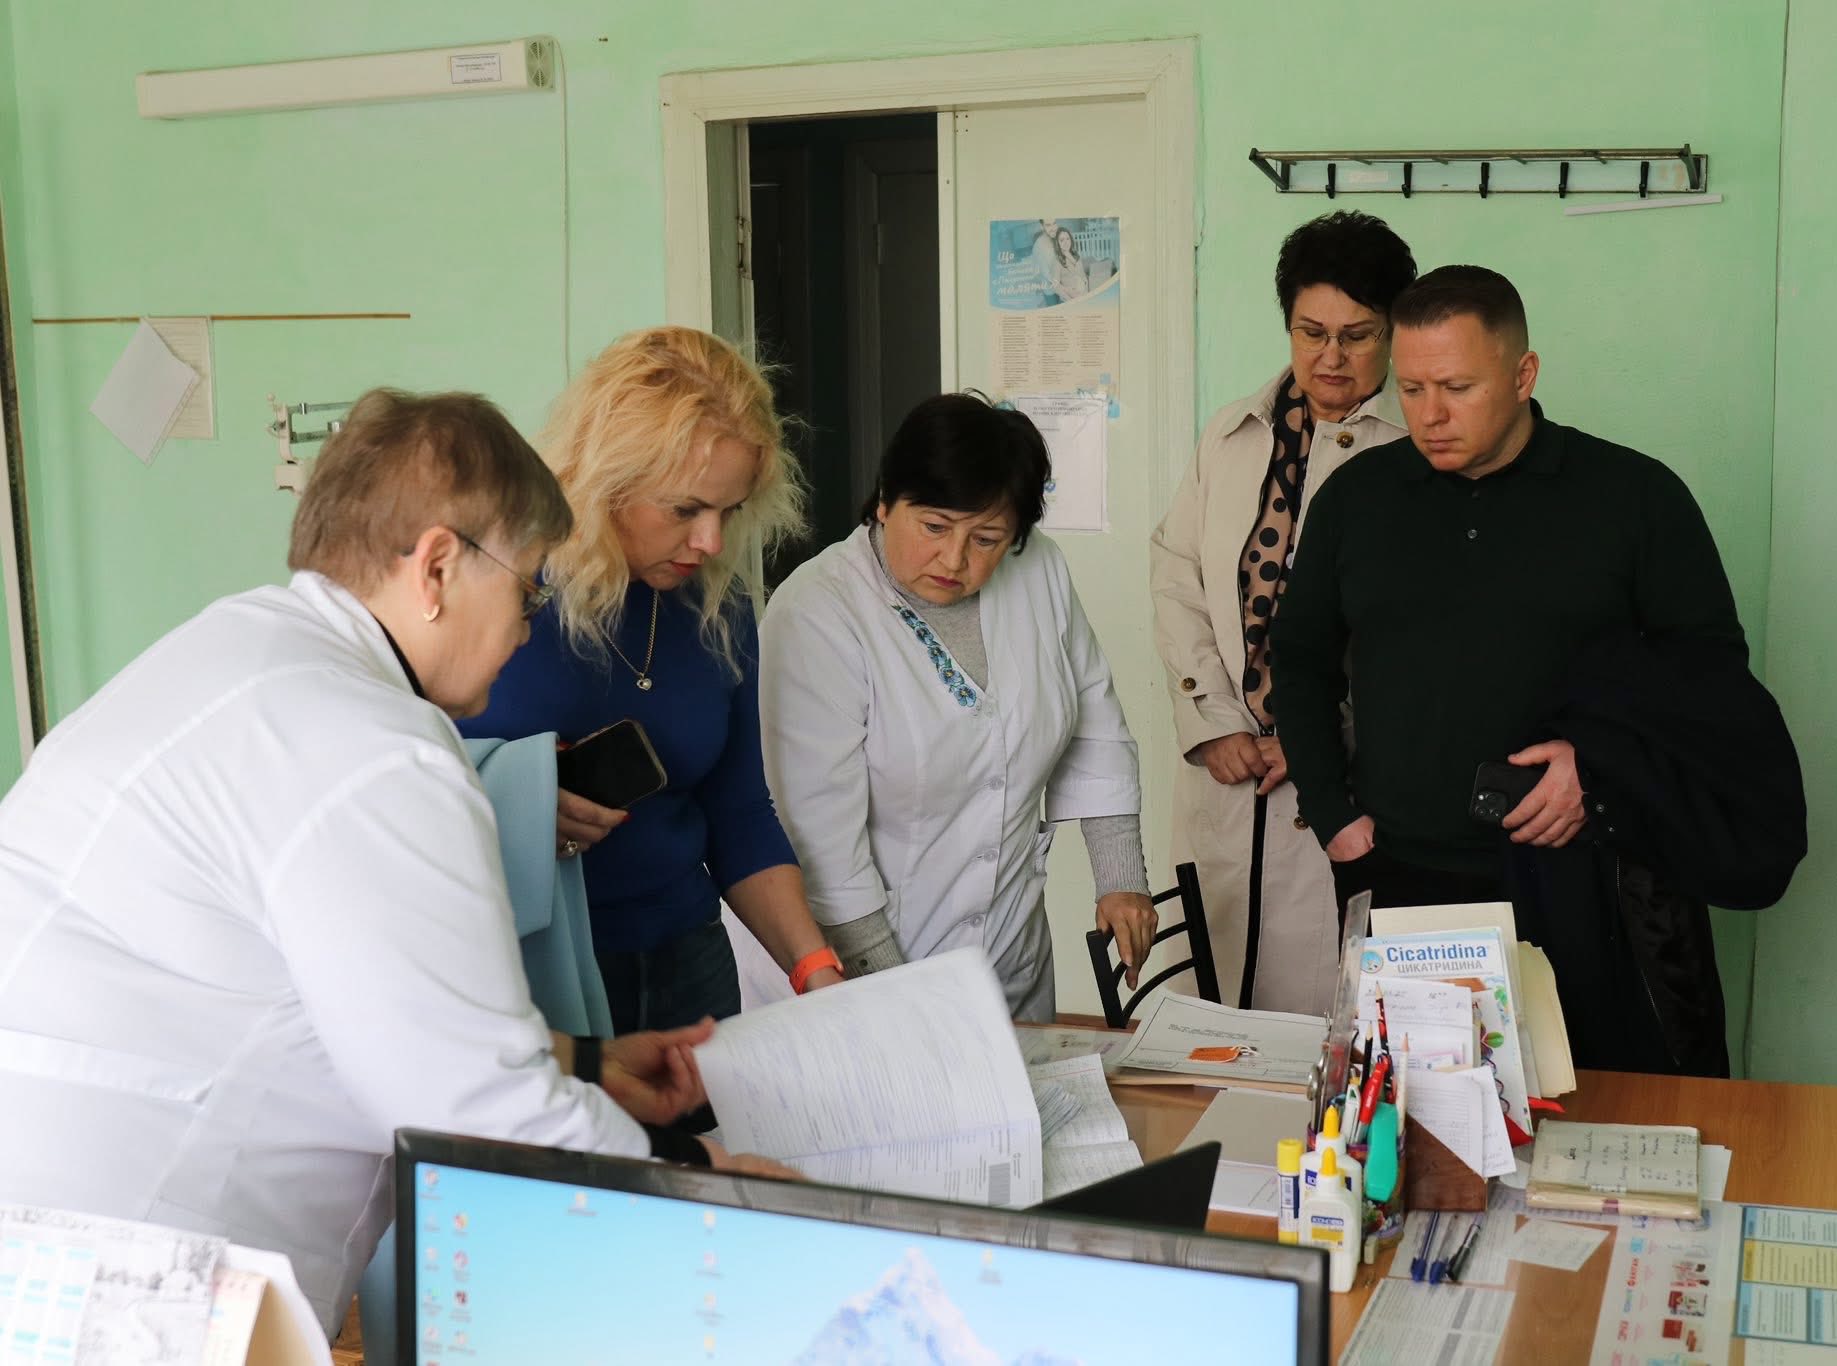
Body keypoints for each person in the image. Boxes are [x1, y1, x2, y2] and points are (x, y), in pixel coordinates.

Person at [0, 390, 782, 1338]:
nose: (526, 627)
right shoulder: (374, 750)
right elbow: (475, 1112)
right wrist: (704, 1186)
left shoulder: (240, 648)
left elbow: (376, 1008)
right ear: (438, 566)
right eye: (528, 589)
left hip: (58, 1231)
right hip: (141, 1263)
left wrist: (585, 1062)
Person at [1268, 266, 1763, 1075]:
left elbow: (1709, 672)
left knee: (1603, 1106)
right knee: (1422, 1116)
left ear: (1524, 375)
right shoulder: (1357, 499)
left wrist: (1593, 764)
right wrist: (1333, 816)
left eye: (1458, 387)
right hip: (1402, 875)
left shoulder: (1634, 497)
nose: (1430, 415)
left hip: (1587, 876)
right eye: (1412, 388)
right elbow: (1299, 659)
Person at [462, 327, 847, 1034]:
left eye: (730, 511)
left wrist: (815, 970)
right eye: (685, 510)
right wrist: (510, 796)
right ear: (605, 480)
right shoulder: (497, 590)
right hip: (525, 963)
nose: (711, 542)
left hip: (688, 959)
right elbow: (390, 784)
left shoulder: (718, 611)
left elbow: (739, 812)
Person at [758, 393, 1155, 1021]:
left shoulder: (1039, 571)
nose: (954, 559)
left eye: (987, 539)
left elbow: (1094, 722)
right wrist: (894, 997)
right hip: (869, 972)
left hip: (1009, 954)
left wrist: (1120, 875)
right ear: (885, 501)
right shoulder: (817, 612)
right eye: (934, 527)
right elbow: (822, 843)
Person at [1149, 211, 1416, 1013]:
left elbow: (1413, 635)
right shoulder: (1233, 435)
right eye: (1311, 332)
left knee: (1329, 1019)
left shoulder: (1416, 452)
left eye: (1357, 335)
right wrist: (1212, 719)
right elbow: (1177, 571)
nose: (1330, 356)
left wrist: (1313, 737)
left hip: (1349, 781)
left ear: (1395, 332)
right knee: (1215, 1015)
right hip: (1228, 772)